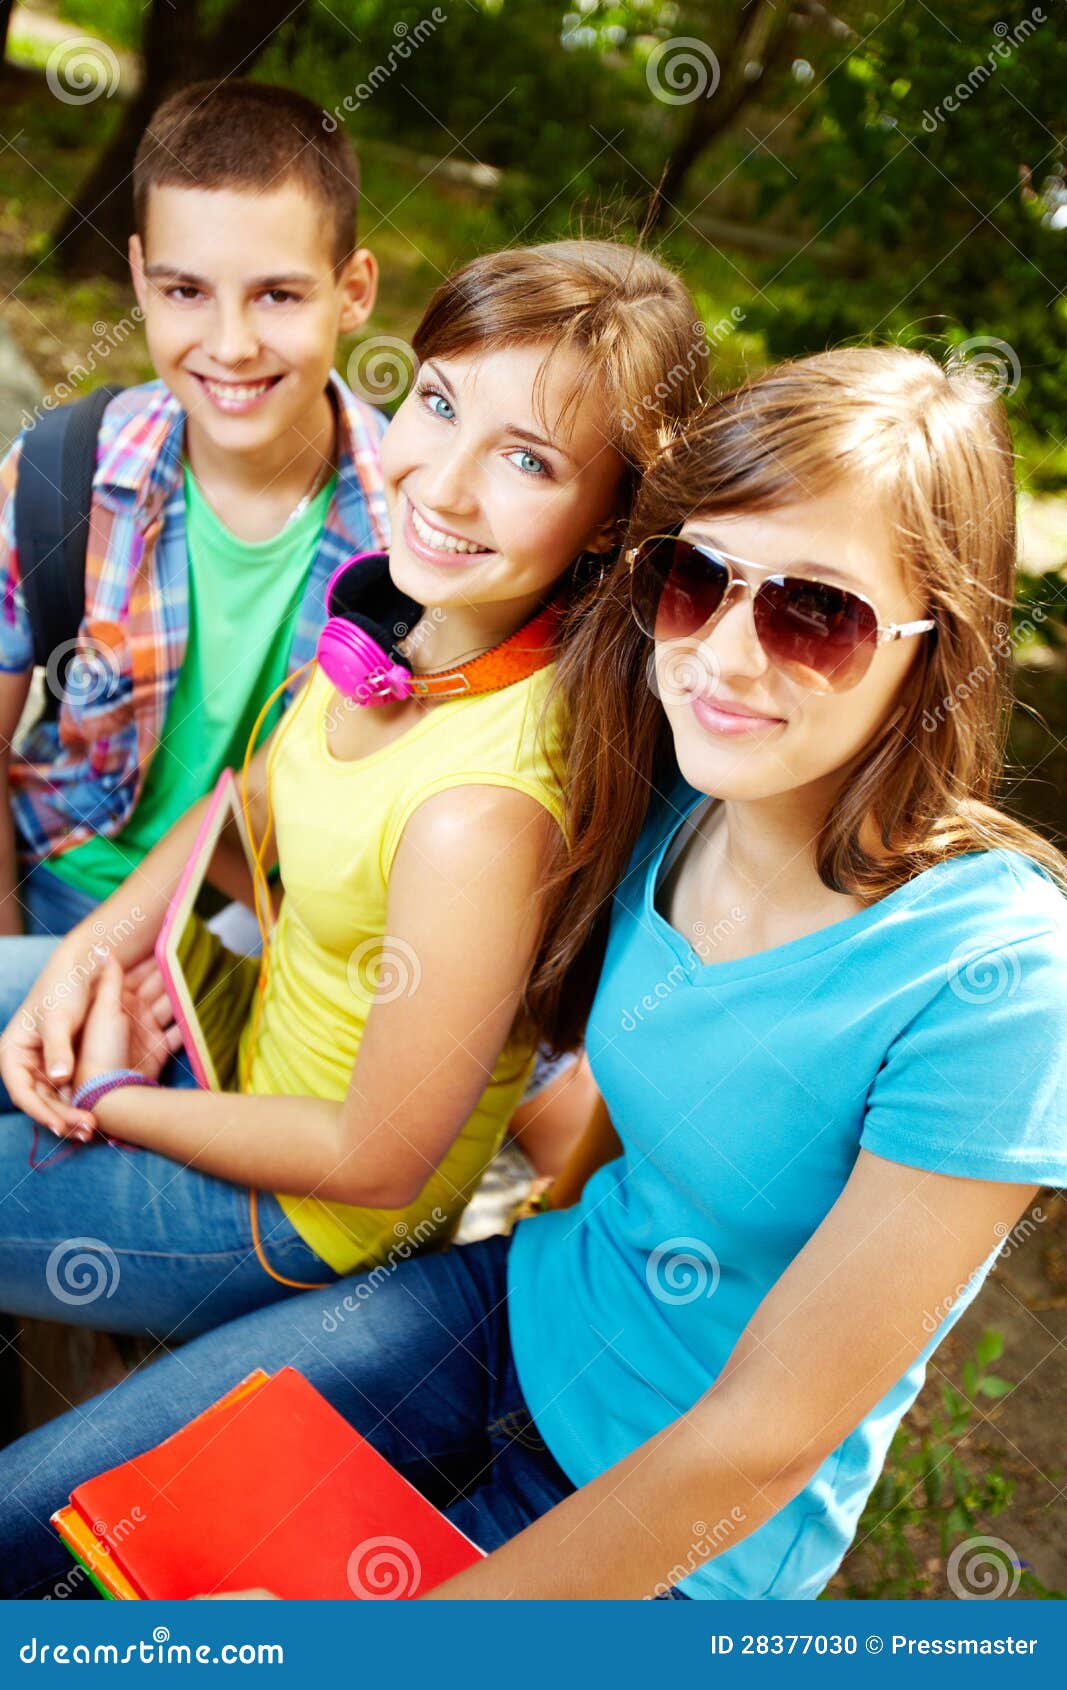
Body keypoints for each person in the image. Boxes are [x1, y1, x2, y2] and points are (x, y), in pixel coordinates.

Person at [1, 345, 1061, 1604]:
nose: (723, 657)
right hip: (514, 1313)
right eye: (693, 578)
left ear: (936, 647)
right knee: (30, 1524)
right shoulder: (670, 796)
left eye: (812, 613)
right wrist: (110, 948)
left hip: (685, 1543)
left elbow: (762, 1436)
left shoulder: (995, 978)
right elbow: (628, 1102)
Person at [0, 239, 705, 1345]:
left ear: (612, 519)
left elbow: (375, 1160)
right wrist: (91, 954)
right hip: (228, 1041)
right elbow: (245, 804)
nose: (443, 483)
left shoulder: (484, 813)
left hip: (297, 1215)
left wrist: (112, 1097)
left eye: (527, 461)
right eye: (439, 403)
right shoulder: (411, 621)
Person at [0, 80, 386, 953]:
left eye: (277, 295)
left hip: (260, 934)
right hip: (50, 884)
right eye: (185, 291)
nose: (231, 345)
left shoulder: (412, 528)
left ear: (353, 289)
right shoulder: (58, 475)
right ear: (139, 276)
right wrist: (20, 968)